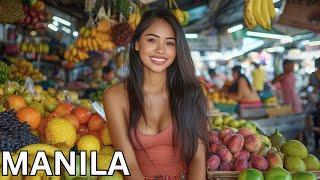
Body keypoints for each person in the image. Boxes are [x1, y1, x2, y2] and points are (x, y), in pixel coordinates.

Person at [103, 9, 208, 179]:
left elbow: (198, 156)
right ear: (137, 43)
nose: (160, 50)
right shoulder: (114, 97)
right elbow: (126, 162)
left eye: (169, 43)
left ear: (177, 49)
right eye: (152, 40)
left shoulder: (193, 92)